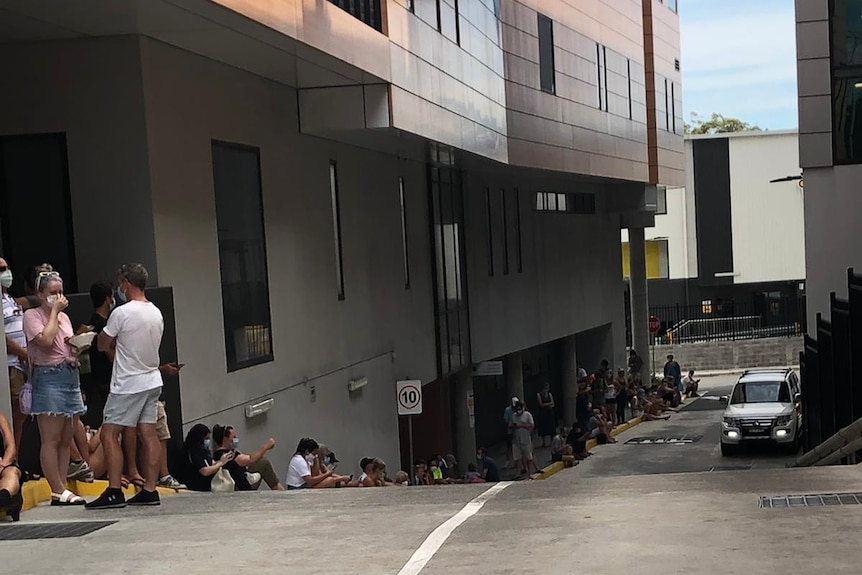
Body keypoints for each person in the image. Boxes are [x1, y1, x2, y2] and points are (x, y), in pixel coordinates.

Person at [87, 263, 165, 509]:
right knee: (149, 433)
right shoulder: (156, 312)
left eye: (121, 283)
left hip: (127, 382)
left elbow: (102, 344)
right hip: (152, 379)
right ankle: (150, 489)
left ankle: (113, 490)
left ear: (126, 285)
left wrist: (104, 340)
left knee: (110, 433)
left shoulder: (122, 313)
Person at [22, 270, 87, 505]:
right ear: (40, 294)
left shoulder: (65, 319)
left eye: (60, 292)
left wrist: (78, 346)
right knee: (50, 437)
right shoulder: (32, 316)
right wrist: (54, 313)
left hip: (69, 374)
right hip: (48, 378)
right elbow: (46, 340)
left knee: (65, 438)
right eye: (52, 293)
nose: (58, 297)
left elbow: (64, 344)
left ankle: (61, 487)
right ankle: (57, 487)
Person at [1, 257, 34, 455]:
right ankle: (10, 461)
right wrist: (21, 351)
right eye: (1, 269)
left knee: (20, 415)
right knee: (12, 416)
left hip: (22, 366)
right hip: (10, 365)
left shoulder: (9, 298)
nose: (6, 273)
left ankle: (15, 460)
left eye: (7, 268)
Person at [83, 282, 115, 428]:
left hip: (99, 379)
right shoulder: (103, 326)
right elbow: (109, 352)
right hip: (108, 379)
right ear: (108, 299)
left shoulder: (91, 322)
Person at [211, 424, 276, 491]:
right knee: (264, 463)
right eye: (234, 437)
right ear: (225, 439)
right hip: (241, 487)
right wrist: (266, 446)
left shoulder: (217, 454)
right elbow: (251, 459)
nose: (236, 439)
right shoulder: (229, 455)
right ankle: (279, 491)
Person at [178, 424, 235, 491]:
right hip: (197, 487)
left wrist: (222, 460)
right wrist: (221, 463)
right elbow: (204, 471)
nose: (207, 441)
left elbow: (211, 464)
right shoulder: (193, 452)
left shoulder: (203, 450)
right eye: (206, 438)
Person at [0, 412, 23, 521]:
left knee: (12, 472)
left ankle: (5, 496)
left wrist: (3, 464)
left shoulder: (0, 418)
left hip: (2, 464)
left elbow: (11, 446)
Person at [511, 401, 537, 476]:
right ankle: (518, 472)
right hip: (516, 440)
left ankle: (530, 472)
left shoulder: (527, 415)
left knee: (529, 456)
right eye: (517, 409)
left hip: (525, 439)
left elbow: (532, 425)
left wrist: (522, 425)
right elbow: (511, 425)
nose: (518, 411)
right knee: (517, 457)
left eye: (520, 409)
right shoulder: (514, 416)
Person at [535, 383, 555, 447]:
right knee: (543, 427)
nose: (546, 390)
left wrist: (547, 404)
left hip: (549, 412)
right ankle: (544, 442)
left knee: (551, 426)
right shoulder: (539, 395)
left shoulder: (549, 394)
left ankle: (551, 441)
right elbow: (541, 404)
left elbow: (553, 403)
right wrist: (549, 404)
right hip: (543, 413)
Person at [502, 397, 518, 469]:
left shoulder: (519, 409)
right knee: (509, 447)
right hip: (510, 431)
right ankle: (507, 462)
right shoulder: (507, 410)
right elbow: (505, 420)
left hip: (518, 431)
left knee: (517, 447)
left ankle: (517, 462)